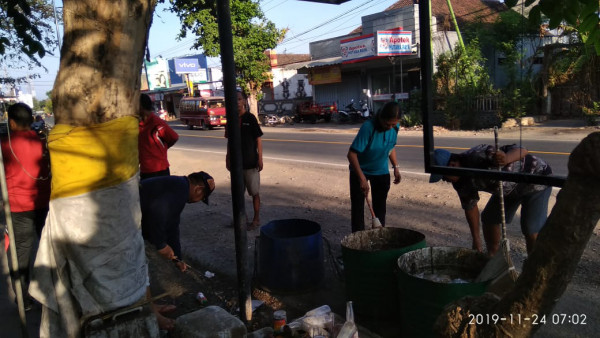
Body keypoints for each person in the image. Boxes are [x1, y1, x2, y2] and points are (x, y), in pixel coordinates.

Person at [429, 144, 553, 255]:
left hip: (536, 180)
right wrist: (476, 241)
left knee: (530, 228)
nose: (444, 180)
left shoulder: (478, 155)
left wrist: (506, 159)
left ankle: (535, 267)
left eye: (443, 176)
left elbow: (523, 150)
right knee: (489, 218)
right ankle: (492, 256)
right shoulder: (459, 181)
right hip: (508, 189)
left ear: (452, 165)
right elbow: (470, 207)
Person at [1, 102, 51, 306]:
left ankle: (24, 298)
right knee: (50, 248)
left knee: (20, 253)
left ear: (11, 122)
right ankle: (56, 293)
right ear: (31, 121)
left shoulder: (5, 145)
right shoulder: (44, 141)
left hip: (18, 208)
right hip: (44, 202)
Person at [347, 101, 401, 232]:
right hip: (360, 171)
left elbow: (390, 147)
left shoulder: (395, 127)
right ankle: (358, 240)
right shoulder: (368, 127)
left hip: (381, 172)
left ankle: (377, 237)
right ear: (381, 118)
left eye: (393, 124)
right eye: (387, 124)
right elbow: (351, 154)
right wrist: (362, 178)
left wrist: (396, 167)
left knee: (380, 209)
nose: (390, 127)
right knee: (358, 209)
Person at [225, 90, 263, 230]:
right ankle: (241, 219)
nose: (236, 102)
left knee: (254, 193)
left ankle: (256, 219)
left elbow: (258, 139)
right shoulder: (231, 120)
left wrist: (260, 158)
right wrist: (227, 157)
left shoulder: (250, 118)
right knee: (237, 194)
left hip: (250, 163)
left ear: (244, 102)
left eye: (239, 99)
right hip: (236, 165)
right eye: (234, 99)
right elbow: (229, 141)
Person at [138, 93, 179, 180]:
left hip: (160, 170)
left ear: (141, 106)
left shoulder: (156, 123)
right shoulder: (137, 124)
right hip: (144, 171)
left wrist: (162, 149)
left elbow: (174, 137)